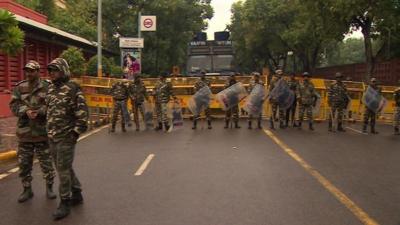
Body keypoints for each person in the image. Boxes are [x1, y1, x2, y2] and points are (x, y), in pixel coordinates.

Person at [46, 58, 88, 220]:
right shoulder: (50, 89)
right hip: (52, 136)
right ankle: (77, 192)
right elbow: (49, 109)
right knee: (64, 167)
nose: (51, 73)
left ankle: (65, 202)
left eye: (54, 70)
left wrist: (75, 134)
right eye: (49, 70)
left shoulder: (73, 89)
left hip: (66, 137)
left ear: (63, 70)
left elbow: (83, 114)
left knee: (62, 169)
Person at [9, 60, 56, 203]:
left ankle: (49, 188)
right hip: (25, 133)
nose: (29, 73)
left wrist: (42, 111)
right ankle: (27, 190)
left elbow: (53, 104)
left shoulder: (48, 86)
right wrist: (26, 111)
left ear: (38, 71)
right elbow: (14, 105)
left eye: (32, 71)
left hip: (42, 132)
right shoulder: (20, 87)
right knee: (24, 164)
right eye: (27, 71)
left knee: (46, 163)